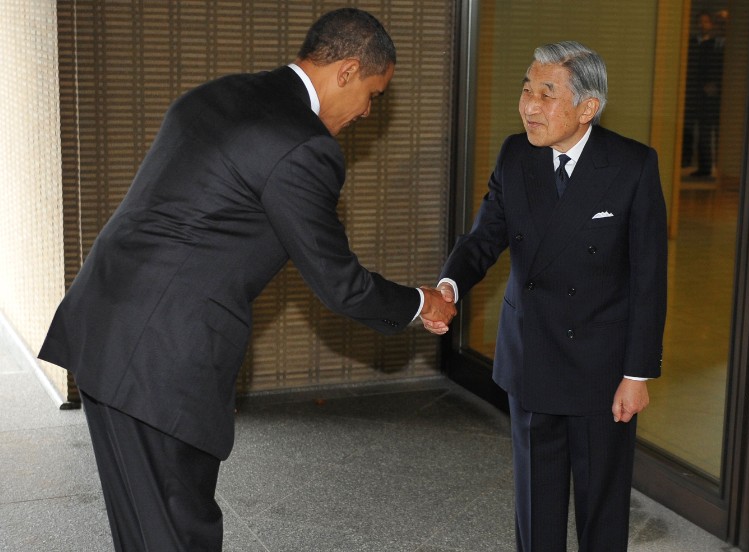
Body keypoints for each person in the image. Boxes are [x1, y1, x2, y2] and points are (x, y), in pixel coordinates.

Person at [38, 8, 455, 551]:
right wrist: (421, 301)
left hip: (105, 330)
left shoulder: (218, 93)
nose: (368, 112)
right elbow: (340, 283)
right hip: (161, 357)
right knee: (177, 531)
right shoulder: (304, 145)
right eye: (373, 95)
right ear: (348, 71)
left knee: (141, 527)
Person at [428, 41, 668, 551]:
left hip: (602, 367)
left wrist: (638, 373)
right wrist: (448, 287)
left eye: (546, 93)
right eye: (526, 89)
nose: (529, 106)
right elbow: (484, 237)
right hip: (532, 352)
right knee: (536, 504)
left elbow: (649, 277)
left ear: (588, 108)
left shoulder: (632, 165)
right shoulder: (518, 154)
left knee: (602, 508)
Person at [682, 10, 724, 178]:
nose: (703, 26)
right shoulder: (691, 43)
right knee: (688, 128)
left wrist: (713, 85)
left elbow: (719, 68)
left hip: (709, 97)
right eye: (700, 22)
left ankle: (705, 168)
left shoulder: (717, 45)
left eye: (706, 22)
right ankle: (685, 161)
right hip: (692, 93)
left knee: (706, 131)